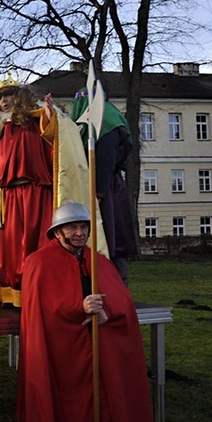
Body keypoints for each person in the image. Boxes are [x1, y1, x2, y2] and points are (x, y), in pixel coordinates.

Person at [0, 73, 106, 307]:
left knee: (38, 243)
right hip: (9, 198)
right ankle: (15, 292)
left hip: (38, 192)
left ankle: (41, 290)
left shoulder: (35, 120)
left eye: (9, 95)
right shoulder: (1, 132)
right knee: (12, 247)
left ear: (19, 96)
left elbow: (56, 140)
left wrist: (51, 117)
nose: (4, 101)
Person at [16, 202, 154, 422]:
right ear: (58, 232)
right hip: (63, 354)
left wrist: (105, 310)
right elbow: (41, 311)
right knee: (69, 404)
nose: (79, 233)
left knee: (106, 402)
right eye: (72, 228)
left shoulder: (100, 262)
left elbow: (124, 303)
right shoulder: (39, 263)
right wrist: (77, 307)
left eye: (83, 227)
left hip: (101, 348)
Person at [71, 87, 138, 284]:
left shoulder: (106, 121)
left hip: (105, 189)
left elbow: (106, 157)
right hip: (106, 185)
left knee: (110, 236)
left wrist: (98, 190)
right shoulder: (111, 117)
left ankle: (114, 285)